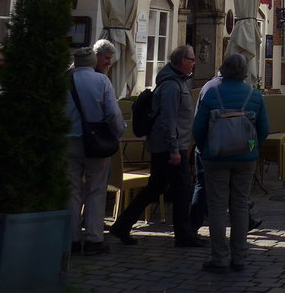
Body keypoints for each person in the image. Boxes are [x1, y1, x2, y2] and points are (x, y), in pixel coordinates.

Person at [110, 44, 201, 247]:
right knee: (183, 190)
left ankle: (122, 224)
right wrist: (174, 149)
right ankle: (184, 235)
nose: (195, 63)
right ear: (183, 61)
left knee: (154, 188)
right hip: (169, 148)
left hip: (166, 146)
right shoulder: (171, 85)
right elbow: (168, 120)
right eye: (192, 59)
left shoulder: (177, 82)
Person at [192, 54, 268, 274]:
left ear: (223, 68)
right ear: (244, 70)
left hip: (215, 157)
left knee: (216, 206)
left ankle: (220, 257)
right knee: (240, 205)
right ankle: (239, 257)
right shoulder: (254, 95)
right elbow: (263, 129)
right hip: (245, 158)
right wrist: (252, 146)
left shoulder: (212, 92)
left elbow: (198, 127)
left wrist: (205, 147)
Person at [66, 47, 126, 256]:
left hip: (68, 142)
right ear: (93, 62)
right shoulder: (101, 82)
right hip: (96, 143)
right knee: (96, 190)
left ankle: (71, 239)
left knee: (71, 191)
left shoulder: (64, 80)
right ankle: (94, 239)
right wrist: (116, 134)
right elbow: (113, 115)